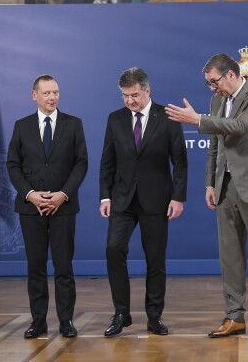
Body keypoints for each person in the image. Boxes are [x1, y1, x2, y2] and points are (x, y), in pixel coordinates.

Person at [165, 53, 248, 338]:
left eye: (214, 82)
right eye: (208, 84)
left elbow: (241, 126)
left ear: (231, 75)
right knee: (230, 256)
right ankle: (235, 316)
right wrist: (211, 183)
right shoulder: (217, 101)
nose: (212, 88)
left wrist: (198, 120)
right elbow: (215, 145)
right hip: (226, 186)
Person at [100, 67, 187, 337]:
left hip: (157, 199)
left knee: (155, 260)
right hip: (122, 200)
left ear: (148, 90)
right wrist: (105, 195)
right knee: (114, 250)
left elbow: (180, 163)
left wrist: (178, 197)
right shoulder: (115, 119)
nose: (130, 101)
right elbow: (107, 161)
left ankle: (154, 316)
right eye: (125, 96)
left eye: (135, 95)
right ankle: (121, 313)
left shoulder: (169, 118)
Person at [7, 75, 88, 339]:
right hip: (31, 209)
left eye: (55, 92)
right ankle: (38, 321)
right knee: (36, 267)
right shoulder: (22, 126)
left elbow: (81, 164)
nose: (52, 97)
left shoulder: (73, 124)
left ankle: (66, 321)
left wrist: (63, 195)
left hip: (63, 207)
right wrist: (30, 194)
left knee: (64, 267)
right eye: (46, 93)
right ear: (34, 96)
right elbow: (13, 165)